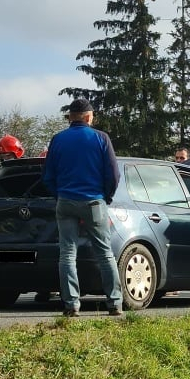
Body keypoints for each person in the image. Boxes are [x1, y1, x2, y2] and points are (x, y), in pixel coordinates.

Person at [42, 98, 123, 317]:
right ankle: (114, 303)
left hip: (66, 201)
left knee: (67, 253)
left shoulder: (58, 139)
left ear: (71, 117)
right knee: (104, 253)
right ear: (88, 117)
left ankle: (71, 305)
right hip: (94, 201)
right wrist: (106, 196)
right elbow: (113, 174)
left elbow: (48, 175)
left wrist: (59, 194)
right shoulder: (101, 138)